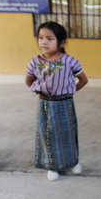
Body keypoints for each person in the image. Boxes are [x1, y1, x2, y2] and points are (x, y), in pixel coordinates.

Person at [25, 21, 88, 181]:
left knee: (68, 133)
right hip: (45, 104)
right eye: (40, 38)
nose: (43, 42)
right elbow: (29, 81)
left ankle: (73, 162)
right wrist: (44, 92)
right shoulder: (34, 62)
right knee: (47, 134)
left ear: (61, 43)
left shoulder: (70, 61)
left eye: (49, 38)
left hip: (65, 104)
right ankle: (52, 166)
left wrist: (68, 92)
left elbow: (83, 80)